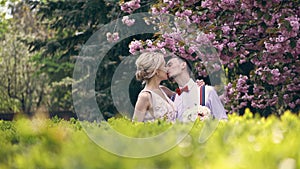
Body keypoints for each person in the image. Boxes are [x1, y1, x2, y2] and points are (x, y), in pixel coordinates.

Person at [166, 56, 228, 121]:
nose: (167, 69)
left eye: (170, 65)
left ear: (183, 65)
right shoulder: (173, 100)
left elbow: (222, 120)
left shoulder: (207, 91)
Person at [132, 52, 177, 122]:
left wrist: (197, 86)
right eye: (164, 66)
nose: (167, 69)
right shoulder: (145, 96)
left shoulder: (163, 89)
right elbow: (135, 126)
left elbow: (182, 96)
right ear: (157, 72)